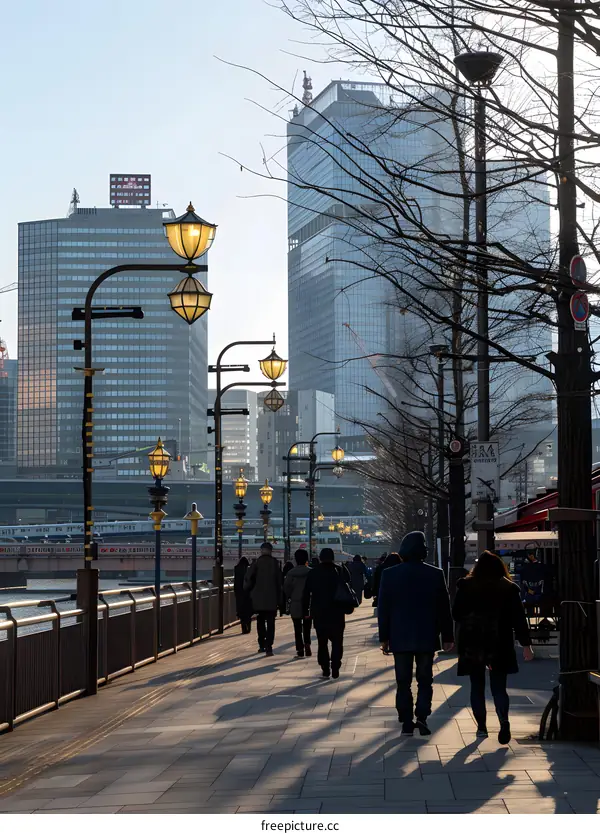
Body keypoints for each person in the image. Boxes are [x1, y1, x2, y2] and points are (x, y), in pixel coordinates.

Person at [453, 550, 533, 744]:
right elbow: (519, 620)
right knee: (499, 687)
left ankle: (481, 727)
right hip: (500, 641)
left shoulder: (465, 586)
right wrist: (526, 645)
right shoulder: (508, 588)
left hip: (473, 642)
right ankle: (504, 721)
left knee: (477, 686)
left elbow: (456, 613)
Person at [378, 531, 454, 736]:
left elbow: (384, 609)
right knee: (425, 679)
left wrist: (384, 637)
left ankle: (405, 720)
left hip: (399, 635)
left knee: (402, 681)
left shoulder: (390, 574)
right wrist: (448, 636)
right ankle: (422, 716)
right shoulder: (435, 574)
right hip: (426, 635)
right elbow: (444, 608)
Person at [302, 548, 349, 679]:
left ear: (321, 557)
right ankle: (336, 666)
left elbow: (306, 593)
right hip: (337, 611)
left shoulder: (314, 572)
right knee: (337, 641)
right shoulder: (339, 570)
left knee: (322, 642)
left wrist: (305, 611)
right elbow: (348, 584)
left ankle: (325, 668)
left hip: (319, 611)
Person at [243, 542, 282, 657]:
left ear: (261, 550)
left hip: (258, 599)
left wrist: (248, 592)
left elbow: (248, 579)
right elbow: (279, 582)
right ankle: (269, 646)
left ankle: (261, 644)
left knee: (260, 622)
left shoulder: (256, 563)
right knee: (271, 623)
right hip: (272, 599)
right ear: (271, 551)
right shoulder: (275, 563)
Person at [284, 549, 313, 658]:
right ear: (306, 559)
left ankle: (300, 649)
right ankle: (307, 644)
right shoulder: (311, 572)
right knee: (307, 626)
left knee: (297, 628)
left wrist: (291, 595)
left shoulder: (291, 573)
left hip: (295, 603)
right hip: (308, 604)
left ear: (296, 559)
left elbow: (286, 588)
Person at [233, 555, 253, 634]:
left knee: (241, 612)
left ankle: (243, 628)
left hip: (239, 594)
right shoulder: (249, 570)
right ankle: (248, 627)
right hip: (248, 594)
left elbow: (236, 583)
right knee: (248, 612)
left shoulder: (236, 569)